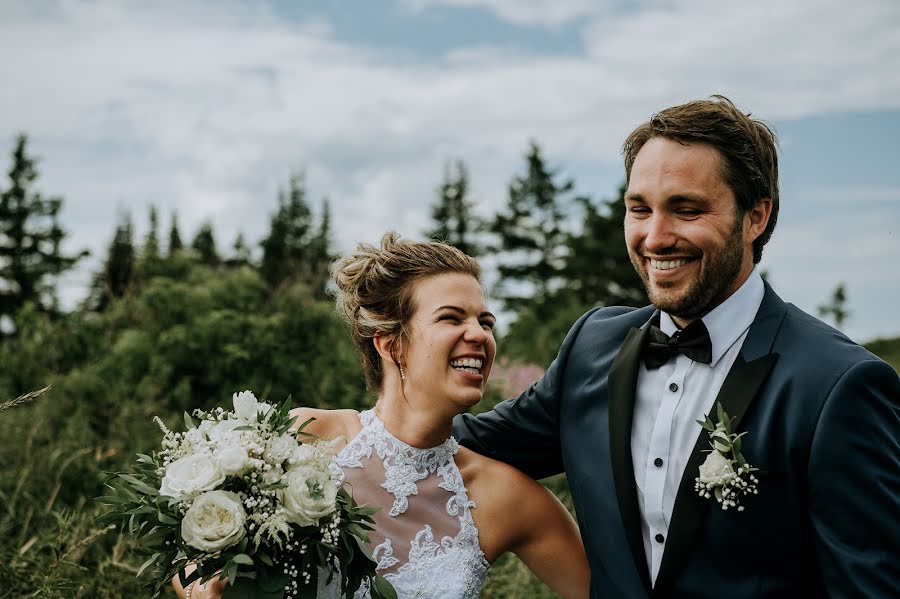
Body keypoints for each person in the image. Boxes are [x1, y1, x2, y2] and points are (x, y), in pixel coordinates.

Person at [454, 95, 900, 598]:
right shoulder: (592, 347)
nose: (655, 237)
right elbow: (460, 446)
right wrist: (348, 436)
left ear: (755, 217)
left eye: (686, 210)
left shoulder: (838, 386)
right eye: (639, 209)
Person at [176, 233, 590, 598]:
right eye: (451, 317)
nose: (480, 335)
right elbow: (187, 552)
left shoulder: (507, 497)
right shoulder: (300, 438)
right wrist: (200, 584)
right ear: (392, 345)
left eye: (486, 322)